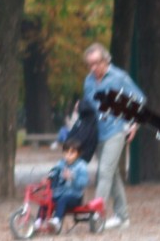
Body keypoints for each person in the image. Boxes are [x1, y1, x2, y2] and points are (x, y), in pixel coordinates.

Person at [81, 42, 144, 228]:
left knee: (105, 172)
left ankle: (96, 217)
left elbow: (139, 99)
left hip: (117, 130)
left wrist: (134, 124)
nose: (93, 68)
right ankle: (122, 216)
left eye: (96, 63)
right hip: (98, 133)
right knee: (112, 173)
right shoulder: (88, 81)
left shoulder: (119, 77)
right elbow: (90, 107)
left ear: (105, 60)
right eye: (90, 64)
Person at [48, 142, 90, 226]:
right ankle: (38, 221)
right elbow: (54, 171)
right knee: (46, 201)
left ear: (78, 153)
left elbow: (83, 183)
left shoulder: (81, 166)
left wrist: (72, 178)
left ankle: (57, 220)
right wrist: (51, 175)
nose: (68, 155)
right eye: (66, 152)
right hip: (59, 193)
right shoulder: (61, 163)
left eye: (72, 152)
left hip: (74, 196)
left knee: (63, 199)